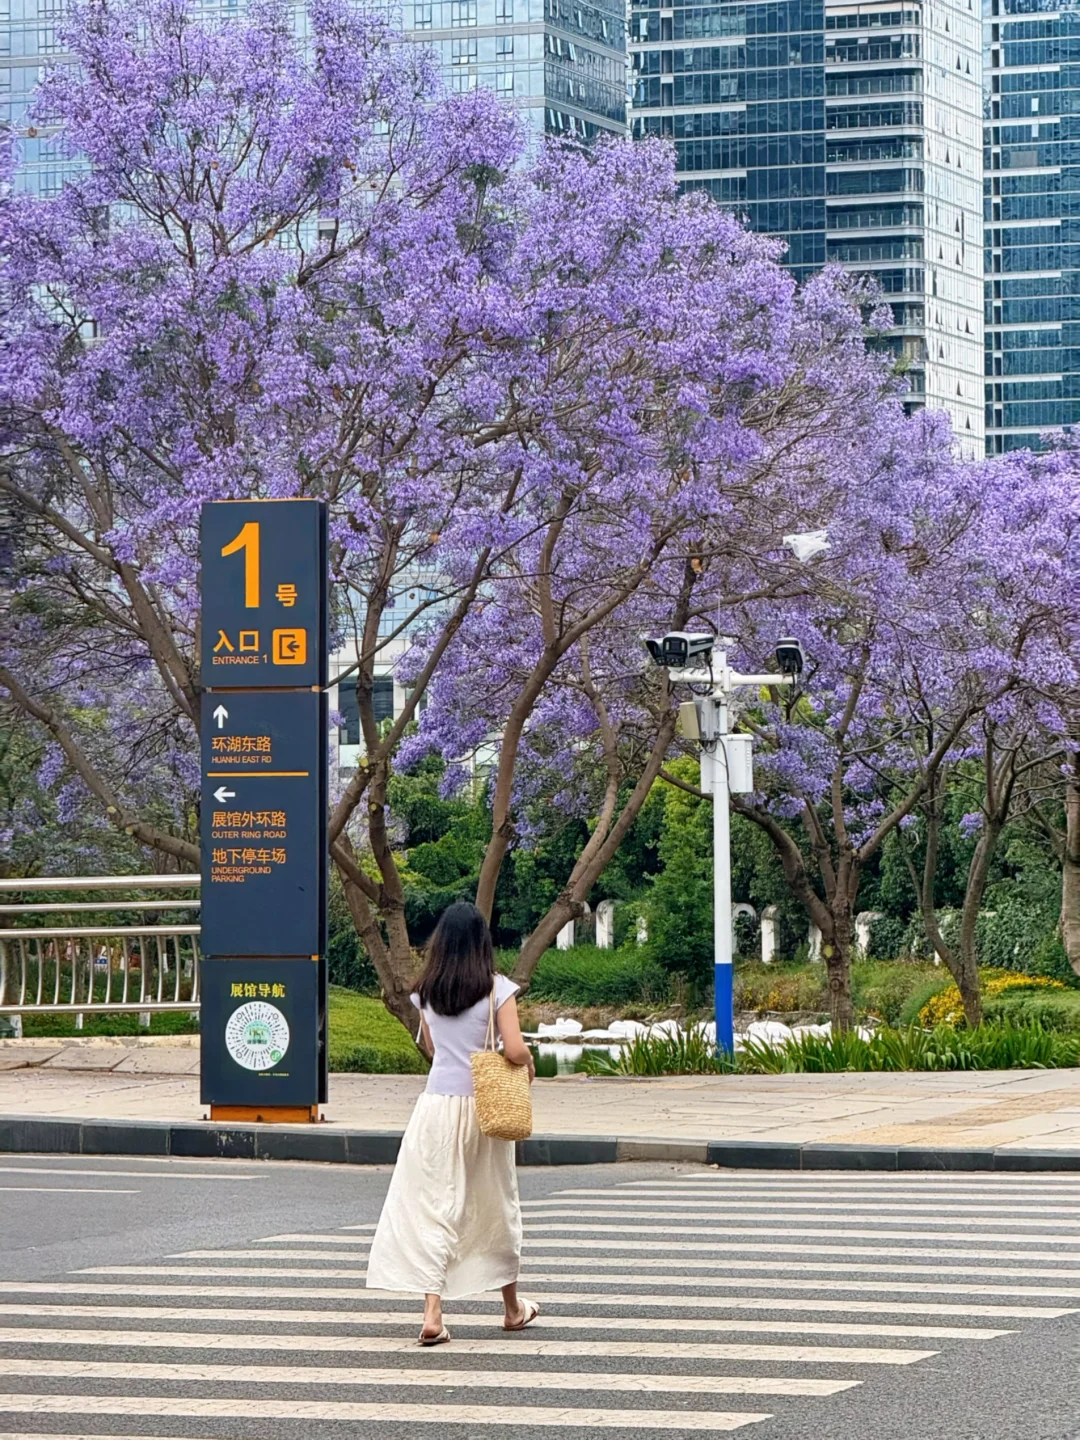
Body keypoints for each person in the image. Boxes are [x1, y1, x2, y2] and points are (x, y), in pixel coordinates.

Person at [366, 901, 539, 1346]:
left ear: (440, 943)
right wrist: (527, 1060)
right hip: (484, 1110)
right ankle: (511, 1308)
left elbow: (431, 1046)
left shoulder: (426, 992)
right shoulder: (497, 989)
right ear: (482, 943)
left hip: (436, 1109)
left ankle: (432, 1312)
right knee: (495, 1203)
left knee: (434, 1205)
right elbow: (514, 1048)